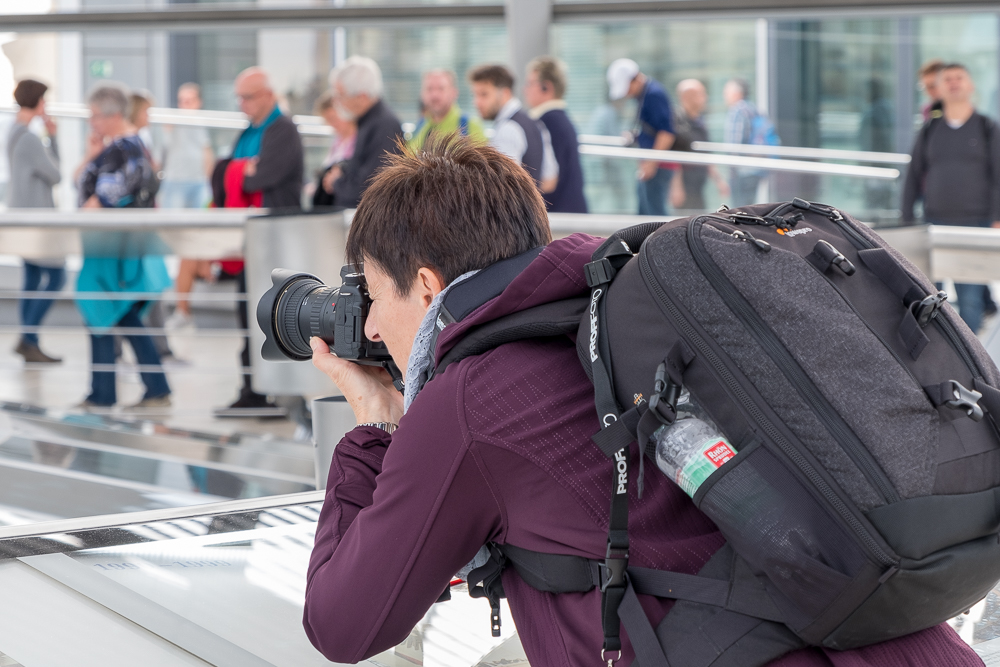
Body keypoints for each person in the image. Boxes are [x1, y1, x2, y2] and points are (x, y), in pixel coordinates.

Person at [300, 135, 983, 666]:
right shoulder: (631, 318)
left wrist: (376, 427)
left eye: (373, 294)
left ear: (426, 286)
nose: (369, 327)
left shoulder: (468, 402)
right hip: (907, 639)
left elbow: (345, 623)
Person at [75, 82, 171, 410]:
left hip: (109, 247)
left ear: (114, 114)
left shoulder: (121, 149)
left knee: (104, 309)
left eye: (95, 116)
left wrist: (81, 214)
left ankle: (106, 393)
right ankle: (139, 388)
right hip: (118, 247)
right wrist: (91, 154)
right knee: (118, 312)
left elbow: (104, 197)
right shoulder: (129, 146)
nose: (92, 123)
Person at [214, 66, 304, 417]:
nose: (242, 104)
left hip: (276, 243)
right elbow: (225, 175)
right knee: (247, 316)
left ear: (268, 95)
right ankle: (253, 392)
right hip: (251, 243)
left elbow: (261, 177)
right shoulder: (248, 132)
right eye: (239, 97)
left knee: (274, 319)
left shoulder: (283, 130)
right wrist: (240, 170)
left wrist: (241, 171)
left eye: (248, 97)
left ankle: (280, 395)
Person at [902, 63, 1000, 334]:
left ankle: (970, 355)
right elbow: (913, 174)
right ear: (940, 89)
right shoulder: (930, 129)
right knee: (928, 295)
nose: (954, 83)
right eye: (948, 79)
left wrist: (996, 218)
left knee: (970, 300)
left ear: (970, 85)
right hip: (933, 223)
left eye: (959, 78)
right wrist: (906, 218)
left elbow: (998, 176)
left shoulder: (987, 127)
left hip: (975, 224)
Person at [7, 79, 65, 364]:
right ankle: (29, 338)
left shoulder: (14, 130)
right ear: (39, 102)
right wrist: (53, 137)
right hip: (37, 219)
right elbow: (56, 174)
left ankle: (28, 340)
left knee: (31, 279)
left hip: (23, 215)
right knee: (57, 276)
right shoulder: (30, 138)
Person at [162, 82, 216, 331]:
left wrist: (210, 184)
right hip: (175, 185)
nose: (185, 105)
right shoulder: (172, 122)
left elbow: (206, 153)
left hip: (198, 185)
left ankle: (185, 308)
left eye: (189, 100)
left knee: (194, 243)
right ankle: (183, 308)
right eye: (181, 101)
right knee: (184, 246)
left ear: (198, 102)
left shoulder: (200, 123)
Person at [325, 56, 403, 208]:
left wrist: (337, 183)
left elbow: (371, 188)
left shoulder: (384, 126)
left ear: (362, 97)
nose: (336, 102)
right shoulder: (368, 122)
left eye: (340, 95)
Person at [469, 63, 557, 191]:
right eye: (475, 95)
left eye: (484, 94)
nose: (476, 102)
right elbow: (549, 180)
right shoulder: (536, 123)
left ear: (505, 93)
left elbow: (499, 187)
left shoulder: (507, 129)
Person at [606, 58, 675, 216]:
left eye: (627, 88)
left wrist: (651, 163)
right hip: (652, 163)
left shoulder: (653, 94)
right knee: (646, 213)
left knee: (655, 216)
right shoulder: (645, 95)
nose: (627, 94)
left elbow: (666, 133)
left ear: (635, 79)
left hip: (657, 166)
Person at [523, 56, 588, 214]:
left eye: (530, 83)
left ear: (546, 87)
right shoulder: (559, 119)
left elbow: (549, 180)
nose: (525, 89)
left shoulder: (547, 123)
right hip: (571, 210)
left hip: (561, 215)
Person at [670, 78, 729, 211]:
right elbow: (673, 156)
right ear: (686, 97)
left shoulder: (700, 121)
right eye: (700, 94)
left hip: (699, 186)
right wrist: (676, 187)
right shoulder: (677, 121)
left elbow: (706, 154)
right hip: (684, 186)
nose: (705, 97)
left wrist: (719, 181)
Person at [407, 69, 486, 151]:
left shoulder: (471, 127)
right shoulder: (419, 127)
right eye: (429, 89)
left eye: (441, 88)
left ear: (454, 93)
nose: (434, 95)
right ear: (422, 94)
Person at [312, 90, 357, 208]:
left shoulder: (358, 140)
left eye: (333, 118)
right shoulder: (338, 141)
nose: (332, 124)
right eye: (328, 120)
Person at [723, 77, 763, 207]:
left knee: (738, 210)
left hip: (741, 171)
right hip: (755, 169)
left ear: (737, 93)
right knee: (749, 209)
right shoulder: (752, 108)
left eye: (727, 92)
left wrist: (731, 171)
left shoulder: (737, 110)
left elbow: (735, 145)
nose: (725, 96)